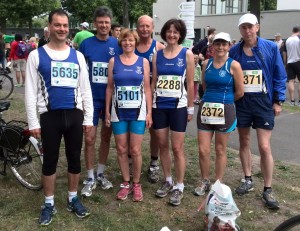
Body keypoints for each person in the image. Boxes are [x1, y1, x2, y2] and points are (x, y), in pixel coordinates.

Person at [24, 8, 93, 226]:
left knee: (74, 159)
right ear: (49, 27)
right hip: (50, 117)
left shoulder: (78, 56)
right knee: (50, 162)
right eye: (57, 25)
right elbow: (30, 92)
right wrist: (33, 122)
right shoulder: (36, 55)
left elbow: (85, 89)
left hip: (74, 115)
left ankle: (73, 198)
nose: (62, 29)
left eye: (65, 25)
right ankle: (48, 203)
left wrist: (88, 118)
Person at [229, 13, 286, 210]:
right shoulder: (235, 51)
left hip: (263, 102)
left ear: (257, 27)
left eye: (250, 27)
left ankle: (268, 188)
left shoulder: (270, 48)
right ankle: (247, 179)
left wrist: (278, 100)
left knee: (264, 146)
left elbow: (279, 74)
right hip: (243, 103)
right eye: (243, 27)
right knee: (244, 141)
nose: (247, 31)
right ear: (240, 30)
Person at [79, 6, 122, 197]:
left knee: (106, 138)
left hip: (110, 100)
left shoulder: (118, 44)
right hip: (90, 100)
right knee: (89, 138)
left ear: (110, 23)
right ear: (95, 23)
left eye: (107, 22)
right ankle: (89, 176)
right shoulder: (86, 44)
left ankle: (101, 173)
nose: (104, 25)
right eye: (100, 22)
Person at [194, 32, 244, 196]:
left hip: (225, 109)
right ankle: (204, 180)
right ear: (212, 46)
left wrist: (225, 102)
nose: (221, 47)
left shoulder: (234, 65)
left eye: (224, 44)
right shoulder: (206, 63)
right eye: (217, 44)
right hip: (206, 109)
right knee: (203, 150)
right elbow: (204, 87)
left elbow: (240, 92)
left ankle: (218, 183)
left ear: (229, 46)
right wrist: (209, 100)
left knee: (220, 149)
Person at [105, 28, 152, 201]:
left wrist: (149, 113)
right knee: (121, 149)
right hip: (118, 111)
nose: (128, 43)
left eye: (131, 40)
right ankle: (126, 182)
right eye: (125, 40)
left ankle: (137, 183)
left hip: (138, 112)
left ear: (136, 42)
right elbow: (109, 87)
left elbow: (147, 88)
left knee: (135, 149)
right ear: (120, 42)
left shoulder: (143, 62)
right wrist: (108, 111)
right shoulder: (113, 61)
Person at [152, 18, 194, 206]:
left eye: (175, 32)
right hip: (159, 106)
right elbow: (154, 81)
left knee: (177, 148)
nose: (171, 34)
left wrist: (191, 107)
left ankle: (179, 185)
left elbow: (191, 83)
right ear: (164, 33)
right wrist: (150, 103)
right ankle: (168, 180)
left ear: (180, 35)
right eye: (169, 31)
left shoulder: (187, 54)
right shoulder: (157, 55)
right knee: (162, 145)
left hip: (178, 107)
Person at [135, 15, 165, 183]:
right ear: (137, 28)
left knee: (154, 131)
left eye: (147, 26)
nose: (144, 29)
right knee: (133, 130)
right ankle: (132, 161)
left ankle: (154, 163)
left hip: (153, 95)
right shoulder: (132, 46)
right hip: (134, 96)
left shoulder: (159, 47)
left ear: (152, 28)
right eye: (141, 26)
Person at [283, 26, 300, 106]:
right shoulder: (299, 38)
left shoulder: (287, 40)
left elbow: (284, 53)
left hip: (290, 62)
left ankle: (292, 101)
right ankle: (299, 101)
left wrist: (285, 63)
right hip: (298, 61)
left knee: (291, 81)